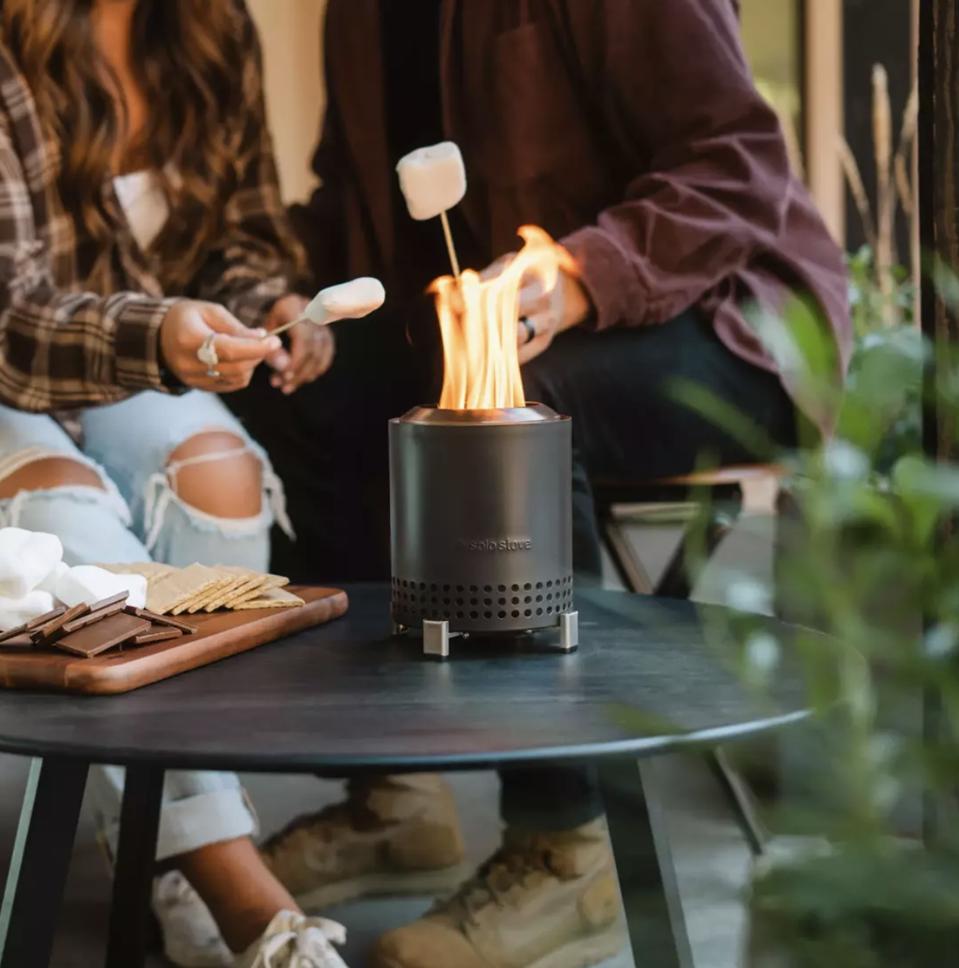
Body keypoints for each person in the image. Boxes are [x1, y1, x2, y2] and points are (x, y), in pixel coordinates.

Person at [232, 2, 852, 968]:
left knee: (515, 412)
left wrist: (578, 274)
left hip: (726, 321)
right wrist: (299, 304)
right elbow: (347, 194)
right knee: (303, 397)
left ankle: (566, 849)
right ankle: (395, 799)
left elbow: (735, 165)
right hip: (484, 340)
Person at [0, 1, 346, 965]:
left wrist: (269, 301)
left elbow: (239, 231)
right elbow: (7, 307)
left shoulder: (210, 26)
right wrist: (157, 335)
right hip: (15, 351)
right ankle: (235, 888)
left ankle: (164, 848)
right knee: (64, 512)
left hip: (131, 354)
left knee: (222, 478)